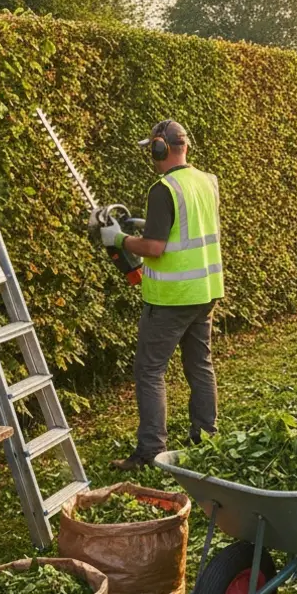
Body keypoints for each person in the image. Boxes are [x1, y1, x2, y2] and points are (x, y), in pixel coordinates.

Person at [97, 120, 224, 471]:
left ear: (159, 148)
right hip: (206, 290)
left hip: (172, 297)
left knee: (150, 370)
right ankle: (206, 438)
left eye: (152, 151)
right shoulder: (206, 181)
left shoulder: (163, 188)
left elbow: (154, 247)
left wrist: (119, 239)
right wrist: (140, 224)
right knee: (199, 365)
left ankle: (150, 451)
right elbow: (186, 227)